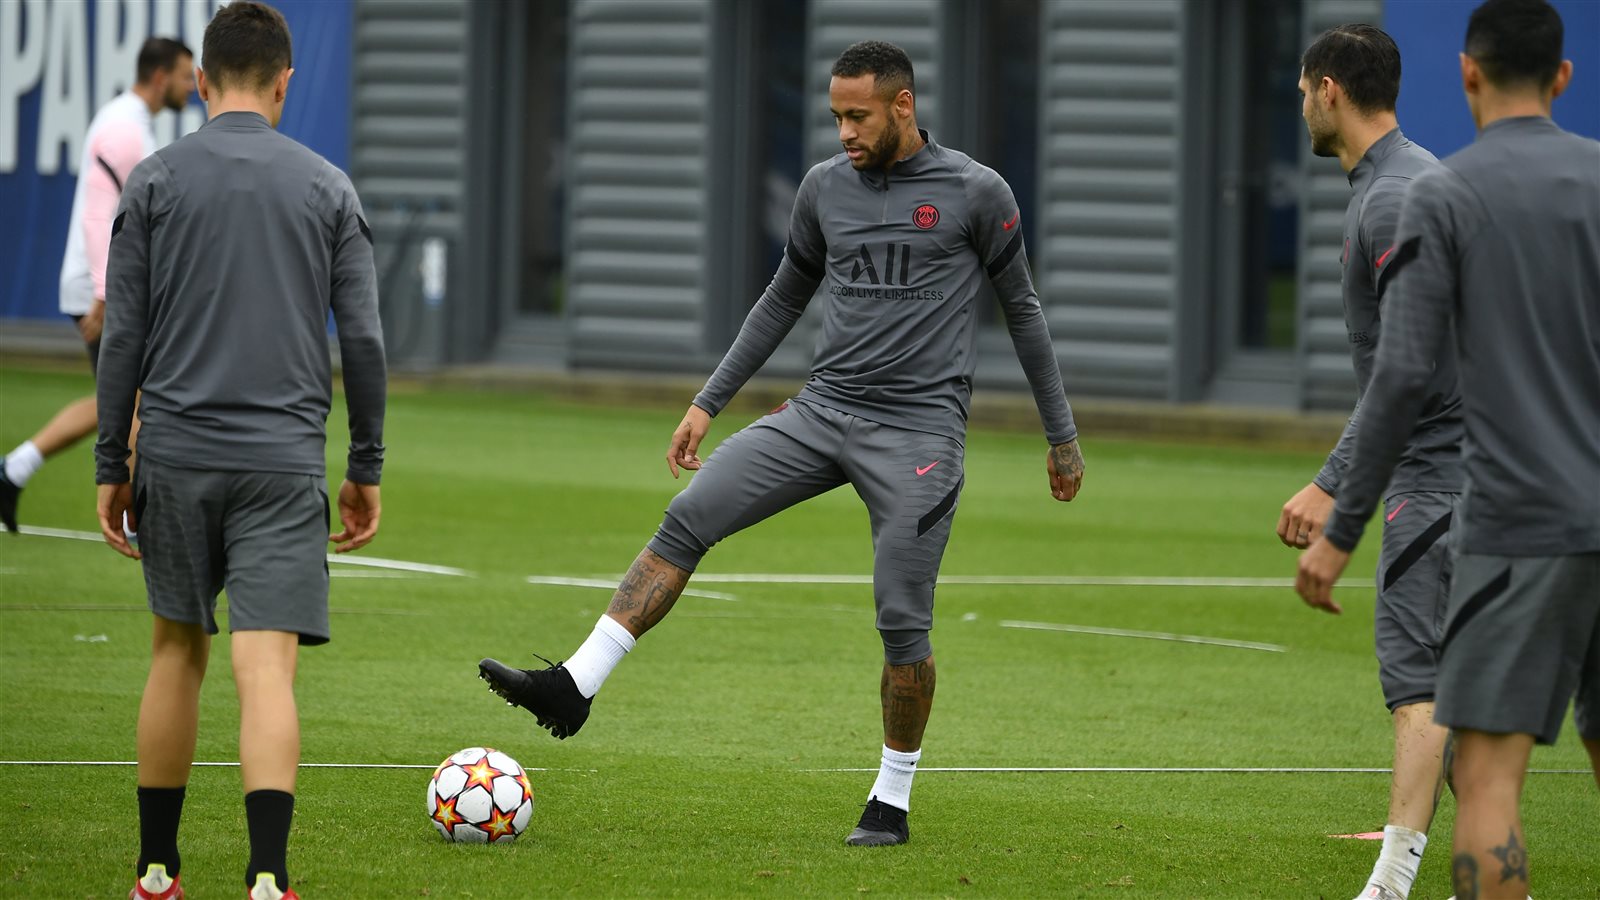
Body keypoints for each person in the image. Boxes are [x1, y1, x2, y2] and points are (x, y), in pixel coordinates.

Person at [479, 39, 1084, 848]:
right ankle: (574, 685)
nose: (844, 132)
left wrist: (1061, 435)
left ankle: (891, 800)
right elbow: (780, 300)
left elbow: (1024, 311)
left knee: (901, 616)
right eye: (836, 116)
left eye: (858, 116)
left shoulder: (978, 192)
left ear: (903, 106)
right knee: (689, 515)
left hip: (919, 432)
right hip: (822, 412)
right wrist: (708, 402)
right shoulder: (823, 188)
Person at [1296, 1, 1600, 897]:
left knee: (1487, 767)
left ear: (1467, 72)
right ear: (1564, 76)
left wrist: (1339, 518)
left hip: (1501, 507)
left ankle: (1391, 884)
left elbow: (1404, 373)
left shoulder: (1435, 193)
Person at [95, 3, 387, 899]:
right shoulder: (328, 186)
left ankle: (156, 872)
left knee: (175, 654)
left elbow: (121, 340)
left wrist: (111, 464)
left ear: (202, 81)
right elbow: (364, 342)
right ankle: (267, 877)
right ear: (284, 82)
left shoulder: (153, 180)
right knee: (265, 670)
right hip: (282, 464)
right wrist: (365, 466)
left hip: (174, 456)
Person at [1280, 25, 1460, 900]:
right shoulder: (1414, 179)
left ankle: (1390, 884)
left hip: (1441, 476)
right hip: (1474, 471)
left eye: (1301, 90)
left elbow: (1406, 368)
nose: (1300, 107)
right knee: (1466, 691)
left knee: (1420, 679)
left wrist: (1333, 485)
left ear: (1329, 91)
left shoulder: (1394, 198)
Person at [0, 37, 194, 533]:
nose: (192, 85)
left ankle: (13, 470)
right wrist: (105, 295)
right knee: (138, 403)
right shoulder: (123, 127)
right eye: (184, 75)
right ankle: (136, 522)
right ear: (159, 77)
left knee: (119, 401)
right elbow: (97, 213)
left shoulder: (130, 122)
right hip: (104, 291)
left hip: (106, 288)